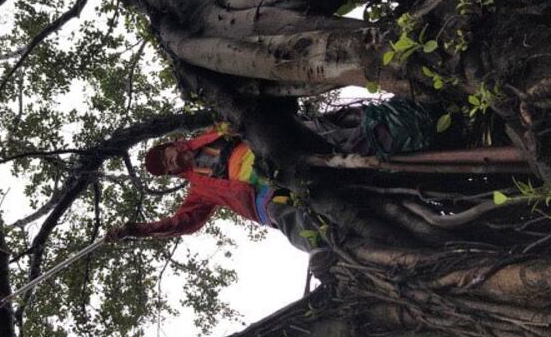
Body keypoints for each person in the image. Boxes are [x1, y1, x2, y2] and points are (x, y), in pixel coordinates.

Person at [106, 99, 445, 252]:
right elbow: (183, 223)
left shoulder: (214, 132)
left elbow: (244, 114)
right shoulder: (199, 191)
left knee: (331, 138)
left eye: (164, 156)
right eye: (166, 168)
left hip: (278, 148)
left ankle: (397, 129)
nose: (169, 162)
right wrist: (137, 230)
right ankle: (348, 251)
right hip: (263, 197)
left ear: (171, 144)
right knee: (299, 228)